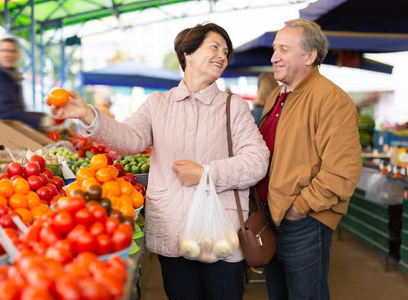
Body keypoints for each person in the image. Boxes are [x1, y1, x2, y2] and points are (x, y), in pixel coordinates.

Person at [47, 23, 269, 300]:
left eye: (226, 52)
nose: (222, 56)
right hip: (172, 227)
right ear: (187, 54)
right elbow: (128, 139)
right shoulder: (157, 104)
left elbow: (257, 160)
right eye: (214, 47)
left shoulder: (232, 107)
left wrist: (206, 173)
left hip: (220, 230)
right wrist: (88, 115)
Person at [256, 19, 362, 299]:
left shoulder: (331, 100)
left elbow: (343, 170)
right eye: (274, 48)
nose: (274, 57)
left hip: (301, 220)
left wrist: (299, 208)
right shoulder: (275, 96)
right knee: (277, 293)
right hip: (270, 215)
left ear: (310, 56)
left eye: (284, 50)